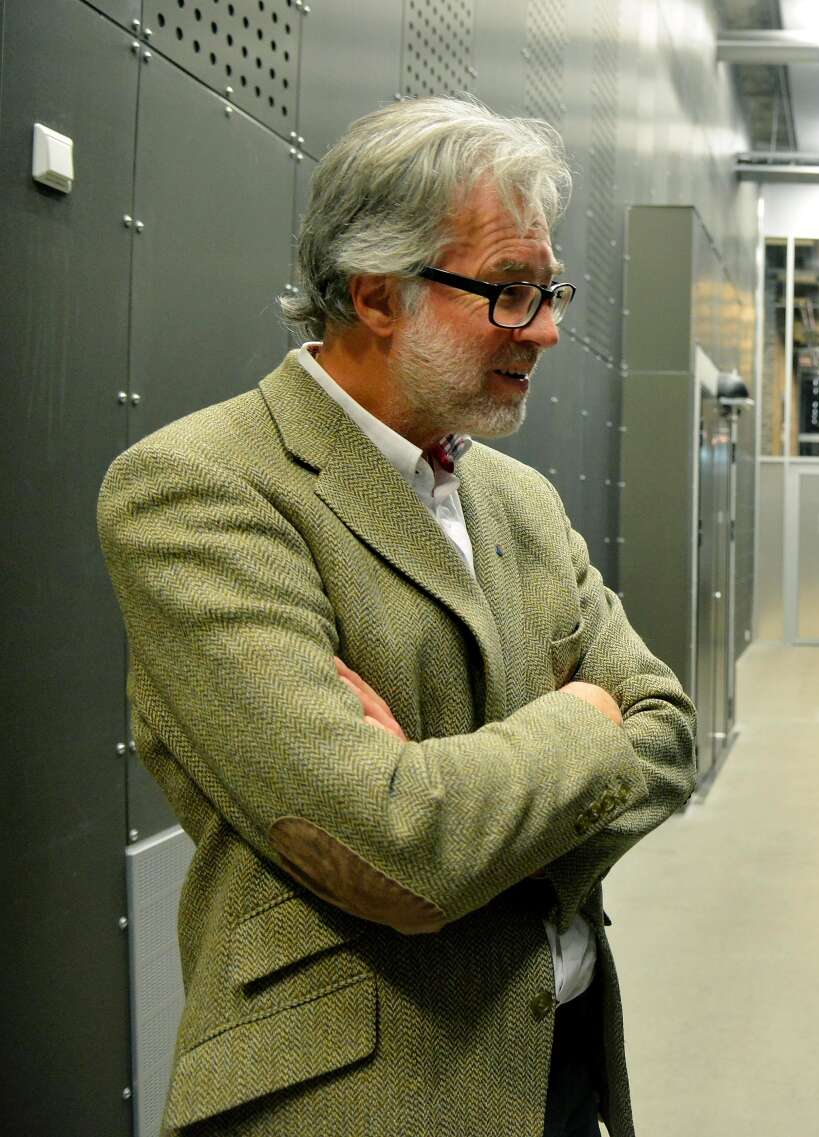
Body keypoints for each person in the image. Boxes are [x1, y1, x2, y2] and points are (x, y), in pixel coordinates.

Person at [97, 96, 696, 1137]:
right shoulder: (199, 490)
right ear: (377, 295)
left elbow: (669, 731)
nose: (547, 329)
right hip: (361, 1095)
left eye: (550, 289)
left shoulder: (519, 499)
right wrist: (586, 717)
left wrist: (464, 817)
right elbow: (394, 843)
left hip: (561, 1067)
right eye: (509, 292)